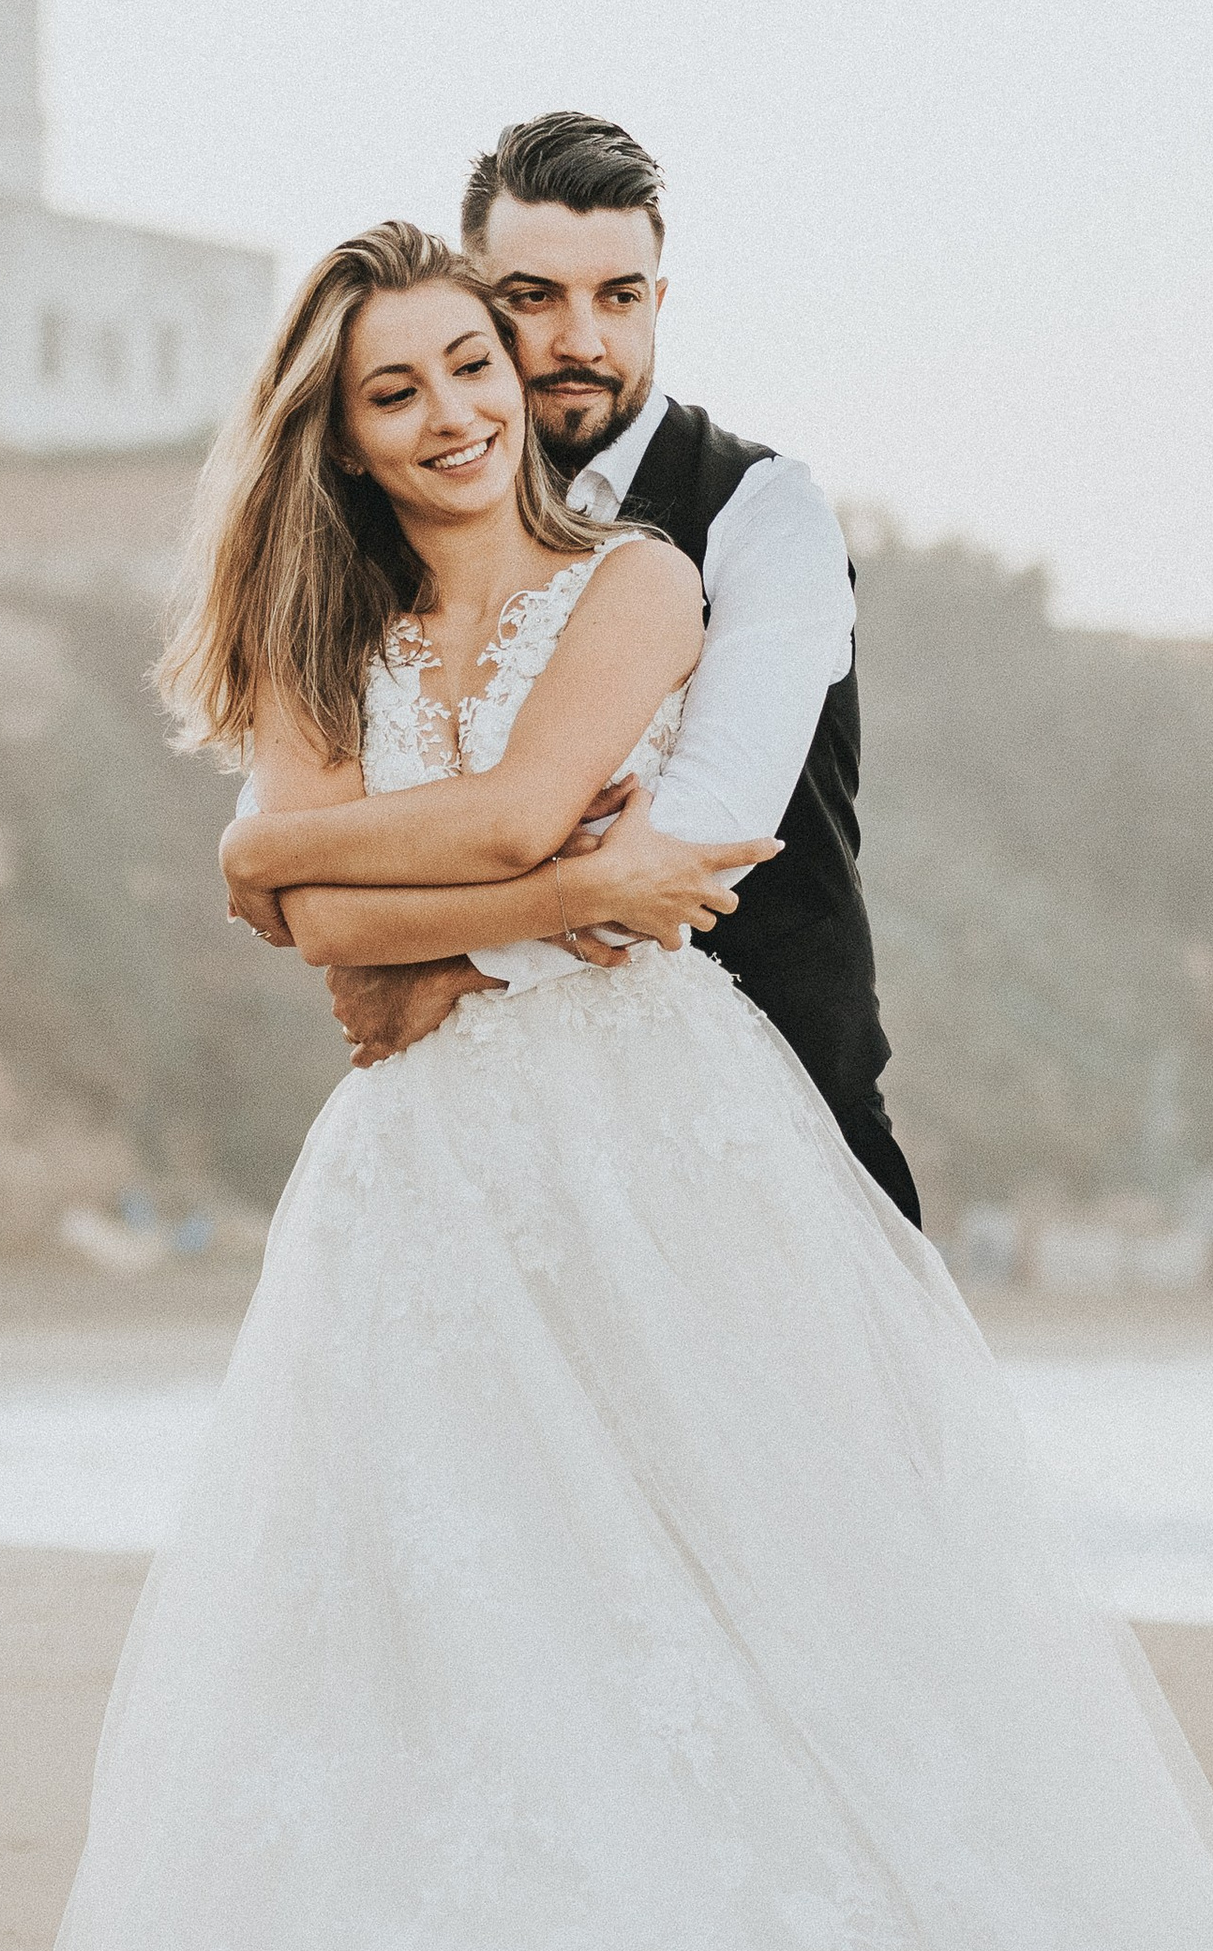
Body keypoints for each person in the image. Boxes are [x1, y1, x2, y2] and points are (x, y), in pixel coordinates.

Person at [0, 222, 1213, 1951]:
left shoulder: (640, 580)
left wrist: (336, 868)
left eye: (470, 362)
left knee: (757, 1591)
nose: (456, 411)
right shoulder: (310, 629)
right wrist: (342, 873)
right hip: (431, 1183)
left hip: (662, 1130)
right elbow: (341, 930)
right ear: (332, 437)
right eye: (397, 391)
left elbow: (476, 821)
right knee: (494, 1625)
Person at [318, 111, 922, 1231]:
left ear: (657, 300)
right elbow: (346, 840)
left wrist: (442, 962)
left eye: (619, 297)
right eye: (532, 299)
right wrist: (291, 875)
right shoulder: (401, 547)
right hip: (478, 1146)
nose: (580, 340)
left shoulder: (758, 512)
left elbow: (687, 845)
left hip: (767, 1115)